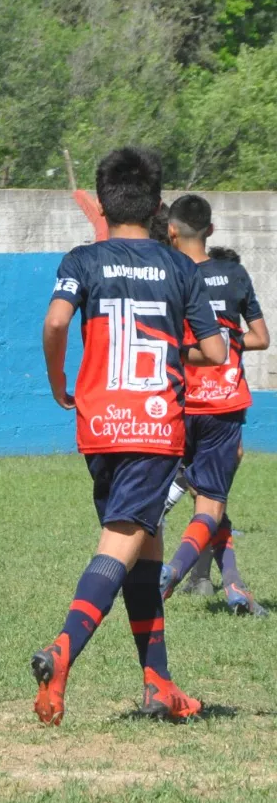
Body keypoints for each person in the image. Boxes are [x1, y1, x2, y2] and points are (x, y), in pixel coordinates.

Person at [33, 147, 225, 726]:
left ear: (104, 198)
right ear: (158, 207)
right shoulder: (180, 268)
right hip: (153, 427)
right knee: (121, 542)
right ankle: (62, 650)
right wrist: (175, 344)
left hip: (99, 426)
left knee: (145, 543)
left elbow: (56, 321)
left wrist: (57, 380)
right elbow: (215, 352)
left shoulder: (82, 259)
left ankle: (159, 684)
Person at [157, 194, 270, 617]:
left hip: (180, 402)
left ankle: (234, 587)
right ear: (212, 230)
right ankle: (174, 571)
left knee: (207, 496)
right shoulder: (235, 274)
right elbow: (260, 338)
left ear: (171, 230)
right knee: (212, 500)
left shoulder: (167, 274)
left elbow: (163, 339)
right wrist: (228, 342)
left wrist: (186, 352)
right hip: (224, 405)